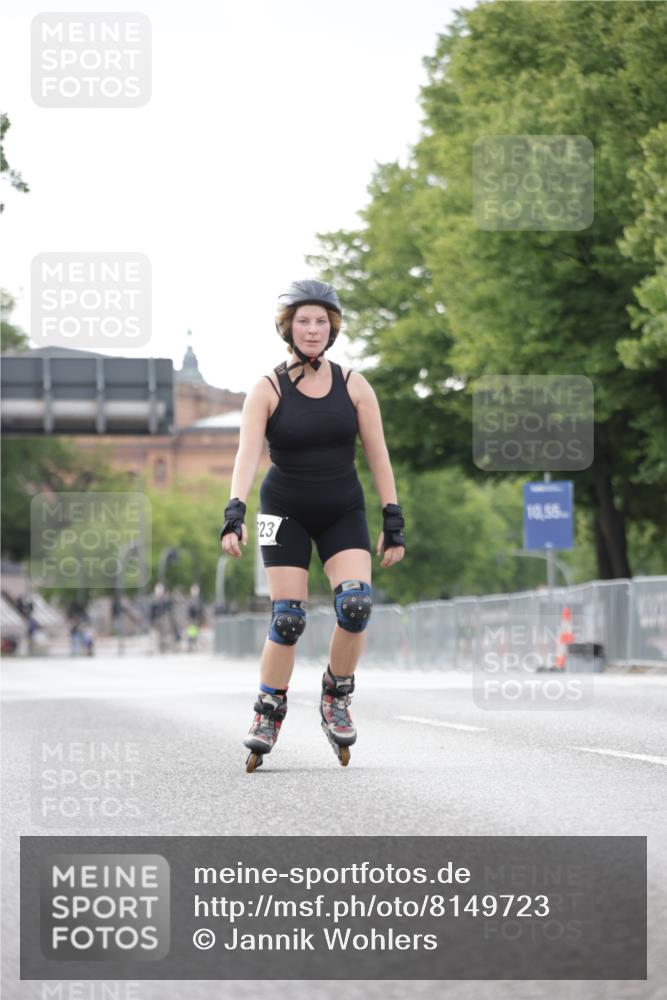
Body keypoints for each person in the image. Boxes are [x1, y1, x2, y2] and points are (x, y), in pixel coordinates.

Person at [220, 279, 405, 772]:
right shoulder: (268, 388)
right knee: (288, 616)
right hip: (283, 510)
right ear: (288, 327)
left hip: (342, 506)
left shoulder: (354, 385)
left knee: (356, 603)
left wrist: (393, 515)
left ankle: (335, 697)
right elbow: (247, 453)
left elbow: (378, 453)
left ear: (332, 328)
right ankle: (268, 711)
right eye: (303, 320)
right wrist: (233, 512)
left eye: (321, 320)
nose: (312, 328)